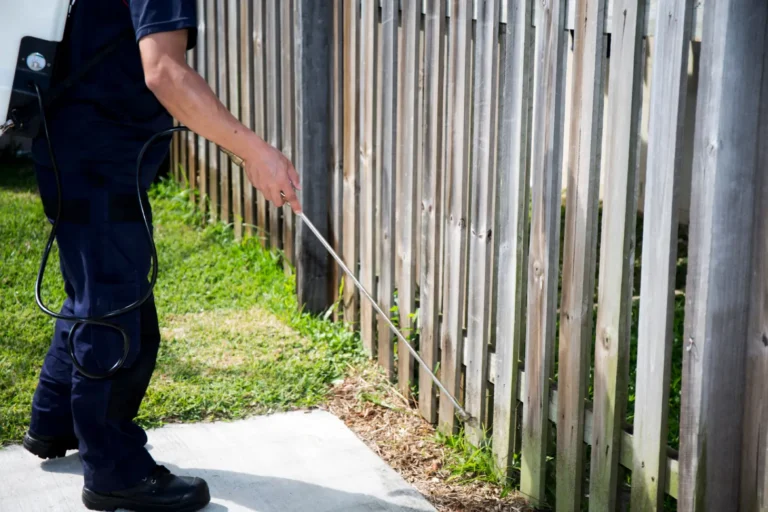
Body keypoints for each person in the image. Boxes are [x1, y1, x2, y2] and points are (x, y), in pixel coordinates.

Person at [22, 1, 301, 511]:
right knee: (116, 312)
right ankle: (115, 473)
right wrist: (254, 151)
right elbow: (165, 72)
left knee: (92, 289)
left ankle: (53, 421)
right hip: (98, 152)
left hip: (67, 135)